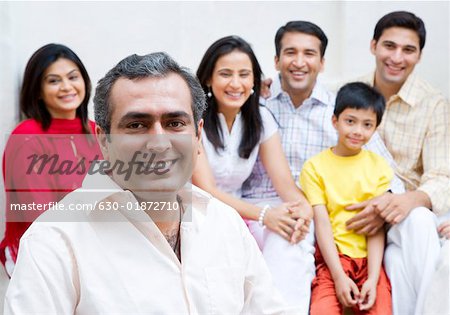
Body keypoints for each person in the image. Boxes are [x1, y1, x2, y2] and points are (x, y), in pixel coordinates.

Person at [4, 52, 289, 314]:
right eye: (136, 125)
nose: (158, 142)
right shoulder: (55, 241)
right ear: (104, 139)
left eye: (175, 123)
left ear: (198, 135)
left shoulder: (224, 223)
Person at [242, 21, 403, 313]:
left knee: (292, 240)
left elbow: (390, 178)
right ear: (277, 61)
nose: (299, 62)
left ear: (322, 62)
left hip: (313, 215)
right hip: (257, 208)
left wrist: (382, 202)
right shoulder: (256, 105)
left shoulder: (342, 114)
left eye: (309, 53)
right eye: (290, 53)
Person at [347, 11, 450, 314]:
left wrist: (409, 200)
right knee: (396, 263)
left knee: (417, 221)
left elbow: (442, 173)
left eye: (408, 50)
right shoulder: (349, 93)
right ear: (373, 46)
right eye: (389, 46)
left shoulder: (433, 103)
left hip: (414, 211)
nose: (396, 57)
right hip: (366, 209)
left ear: (418, 56)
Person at [192, 35, 312, 248]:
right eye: (225, 74)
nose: (236, 84)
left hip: (240, 215)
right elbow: (206, 190)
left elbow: (284, 183)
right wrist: (264, 215)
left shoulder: (260, 118)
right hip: (198, 215)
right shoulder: (192, 119)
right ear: (209, 78)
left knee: (290, 236)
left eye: (244, 74)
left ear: (254, 80)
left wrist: (304, 210)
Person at [0, 43, 102, 277]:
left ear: (84, 81)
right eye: (54, 81)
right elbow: (39, 214)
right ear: (37, 90)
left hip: (95, 249)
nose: (66, 87)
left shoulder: (98, 132)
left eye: (72, 77)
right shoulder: (27, 137)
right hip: (42, 255)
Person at [301, 82, 392, 314]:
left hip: (370, 263)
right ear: (335, 121)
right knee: (322, 309)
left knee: (380, 308)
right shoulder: (314, 167)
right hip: (333, 262)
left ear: (375, 129)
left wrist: (372, 278)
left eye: (367, 124)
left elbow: (375, 226)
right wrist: (339, 276)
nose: (357, 131)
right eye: (350, 121)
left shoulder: (379, 167)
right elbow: (322, 224)